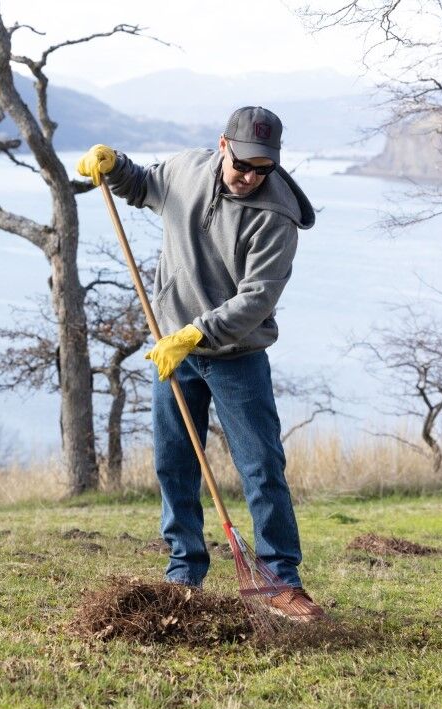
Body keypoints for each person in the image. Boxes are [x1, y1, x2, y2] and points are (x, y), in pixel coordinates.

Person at [77, 106, 325, 621]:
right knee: (174, 463)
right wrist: (114, 164)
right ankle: (183, 573)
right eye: (244, 165)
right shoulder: (186, 170)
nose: (252, 177)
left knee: (261, 468)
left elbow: (257, 298)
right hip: (174, 351)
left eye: (265, 169)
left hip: (236, 356)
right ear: (222, 146)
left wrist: (196, 333)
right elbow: (144, 186)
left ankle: (281, 580)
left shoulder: (277, 218)